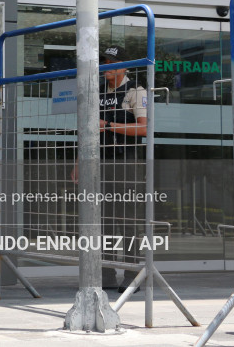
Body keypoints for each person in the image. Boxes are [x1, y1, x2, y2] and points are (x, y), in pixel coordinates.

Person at [97, 45, 147, 293]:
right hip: (100, 163)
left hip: (126, 162)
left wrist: (107, 125)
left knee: (127, 221)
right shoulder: (97, 91)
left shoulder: (135, 91)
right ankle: (105, 273)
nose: (107, 66)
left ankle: (131, 274)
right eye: (105, 61)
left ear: (125, 67)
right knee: (102, 221)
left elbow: (145, 129)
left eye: (112, 62)